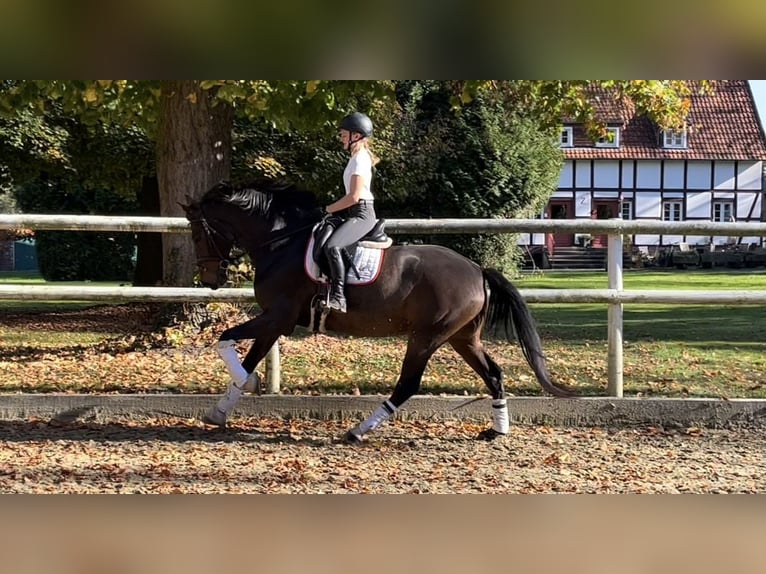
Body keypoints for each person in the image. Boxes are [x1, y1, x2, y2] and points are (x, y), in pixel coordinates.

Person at [322, 111, 379, 313]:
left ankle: (339, 298)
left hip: (362, 213)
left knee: (333, 247)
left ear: (356, 136)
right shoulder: (356, 158)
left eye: (344, 134)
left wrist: (327, 209)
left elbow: (354, 196)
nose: (341, 138)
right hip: (355, 212)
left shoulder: (360, 160)